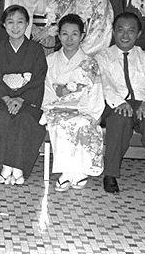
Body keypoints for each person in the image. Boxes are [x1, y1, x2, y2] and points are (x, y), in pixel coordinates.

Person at [94, 13, 145, 198]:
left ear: (138, 34)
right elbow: (104, 83)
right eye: (120, 30)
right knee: (119, 119)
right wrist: (119, 102)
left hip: (142, 103)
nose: (125, 35)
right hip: (114, 104)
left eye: (131, 31)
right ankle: (110, 174)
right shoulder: (103, 56)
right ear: (113, 32)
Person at [0, 5, 47, 185]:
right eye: (10, 22)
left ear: (27, 24)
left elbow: (38, 78)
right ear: (3, 25)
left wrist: (20, 99)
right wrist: (7, 99)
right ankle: (4, 165)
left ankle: (16, 167)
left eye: (20, 22)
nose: (15, 26)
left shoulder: (35, 50)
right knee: (0, 117)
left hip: (28, 101)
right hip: (2, 101)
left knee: (25, 120)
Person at [41, 14, 105, 192]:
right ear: (58, 35)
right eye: (65, 34)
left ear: (82, 36)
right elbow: (46, 88)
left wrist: (94, 115)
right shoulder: (50, 61)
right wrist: (49, 107)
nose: (69, 39)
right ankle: (70, 172)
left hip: (82, 108)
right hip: (56, 107)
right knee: (62, 122)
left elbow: (96, 92)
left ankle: (74, 171)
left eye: (74, 34)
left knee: (83, 122)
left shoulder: (90, 63)